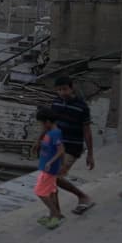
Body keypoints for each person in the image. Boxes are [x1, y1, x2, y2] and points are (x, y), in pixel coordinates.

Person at [49, 76, 95, 214]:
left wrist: (90, 154)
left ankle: (83, 196)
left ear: (71, 88)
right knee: (50, 178)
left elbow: (87, 131)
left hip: (72, 147)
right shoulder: (56, 103)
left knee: (55, 177)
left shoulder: (82, 107)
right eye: (59, 90)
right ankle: (56, 213)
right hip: (56, 146)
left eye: (64, 89)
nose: (62, 93)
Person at [34, 108, 65, 229]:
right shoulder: (48, 131)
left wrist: (51, 162)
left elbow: (61, 150)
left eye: (42, 123)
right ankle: (53, 215)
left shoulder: (56, 133)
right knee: (51, 192)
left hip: (49, 169)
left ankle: (56, 214)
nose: (41, 126)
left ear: (47, 122)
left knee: (40, 192)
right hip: (45, 167)